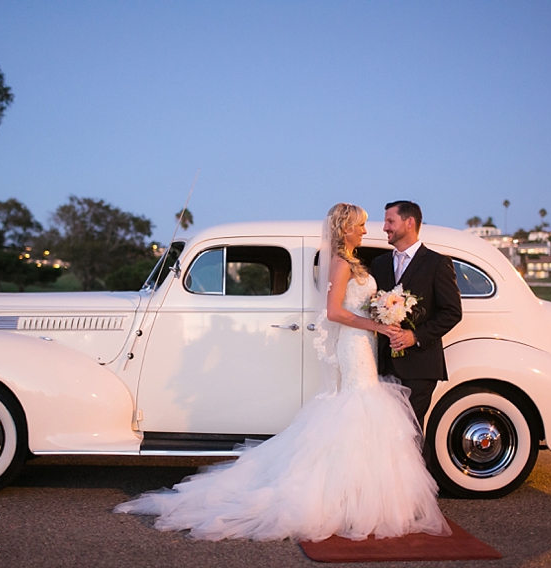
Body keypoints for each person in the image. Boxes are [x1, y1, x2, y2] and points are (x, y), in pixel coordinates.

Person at [113, 203, 450, 542]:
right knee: (356, 410)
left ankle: (356, 495)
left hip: (364, 345)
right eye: (361, 225)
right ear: (346, 228)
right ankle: (346, 498)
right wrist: (373, 323)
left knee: (363, 415)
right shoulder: (340, 263)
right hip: (355, 343)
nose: (368, 230)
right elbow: (334, 312)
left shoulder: (358, 262)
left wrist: (383, 317)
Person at [370, 200, 463, 432]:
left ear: (409, 222)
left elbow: (452, 312)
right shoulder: (379, 264)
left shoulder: (437, 263)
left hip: (420, 366)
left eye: (390, 221)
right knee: (387, 432)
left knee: (407, 432)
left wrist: (415, 336)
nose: (385, 227)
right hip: (384, 366)